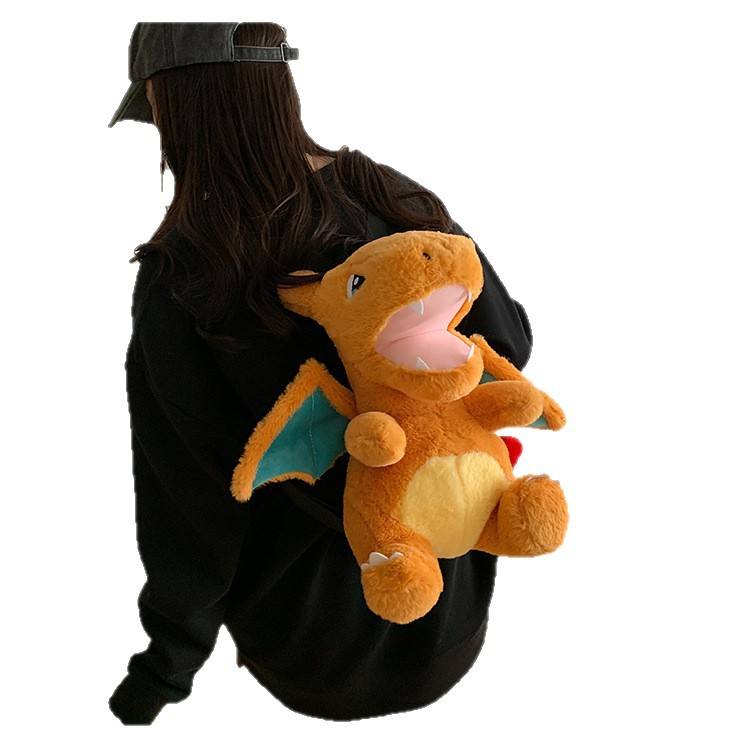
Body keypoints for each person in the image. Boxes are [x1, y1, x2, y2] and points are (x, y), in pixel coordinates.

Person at [107, 22, 534, 725]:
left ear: (172, 101)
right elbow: (507, 345)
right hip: (454, 616)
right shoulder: (392, 195)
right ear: (277, 82)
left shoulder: (185, 275)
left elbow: (188, 509)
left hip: (314, 650)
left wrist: (164, 670)